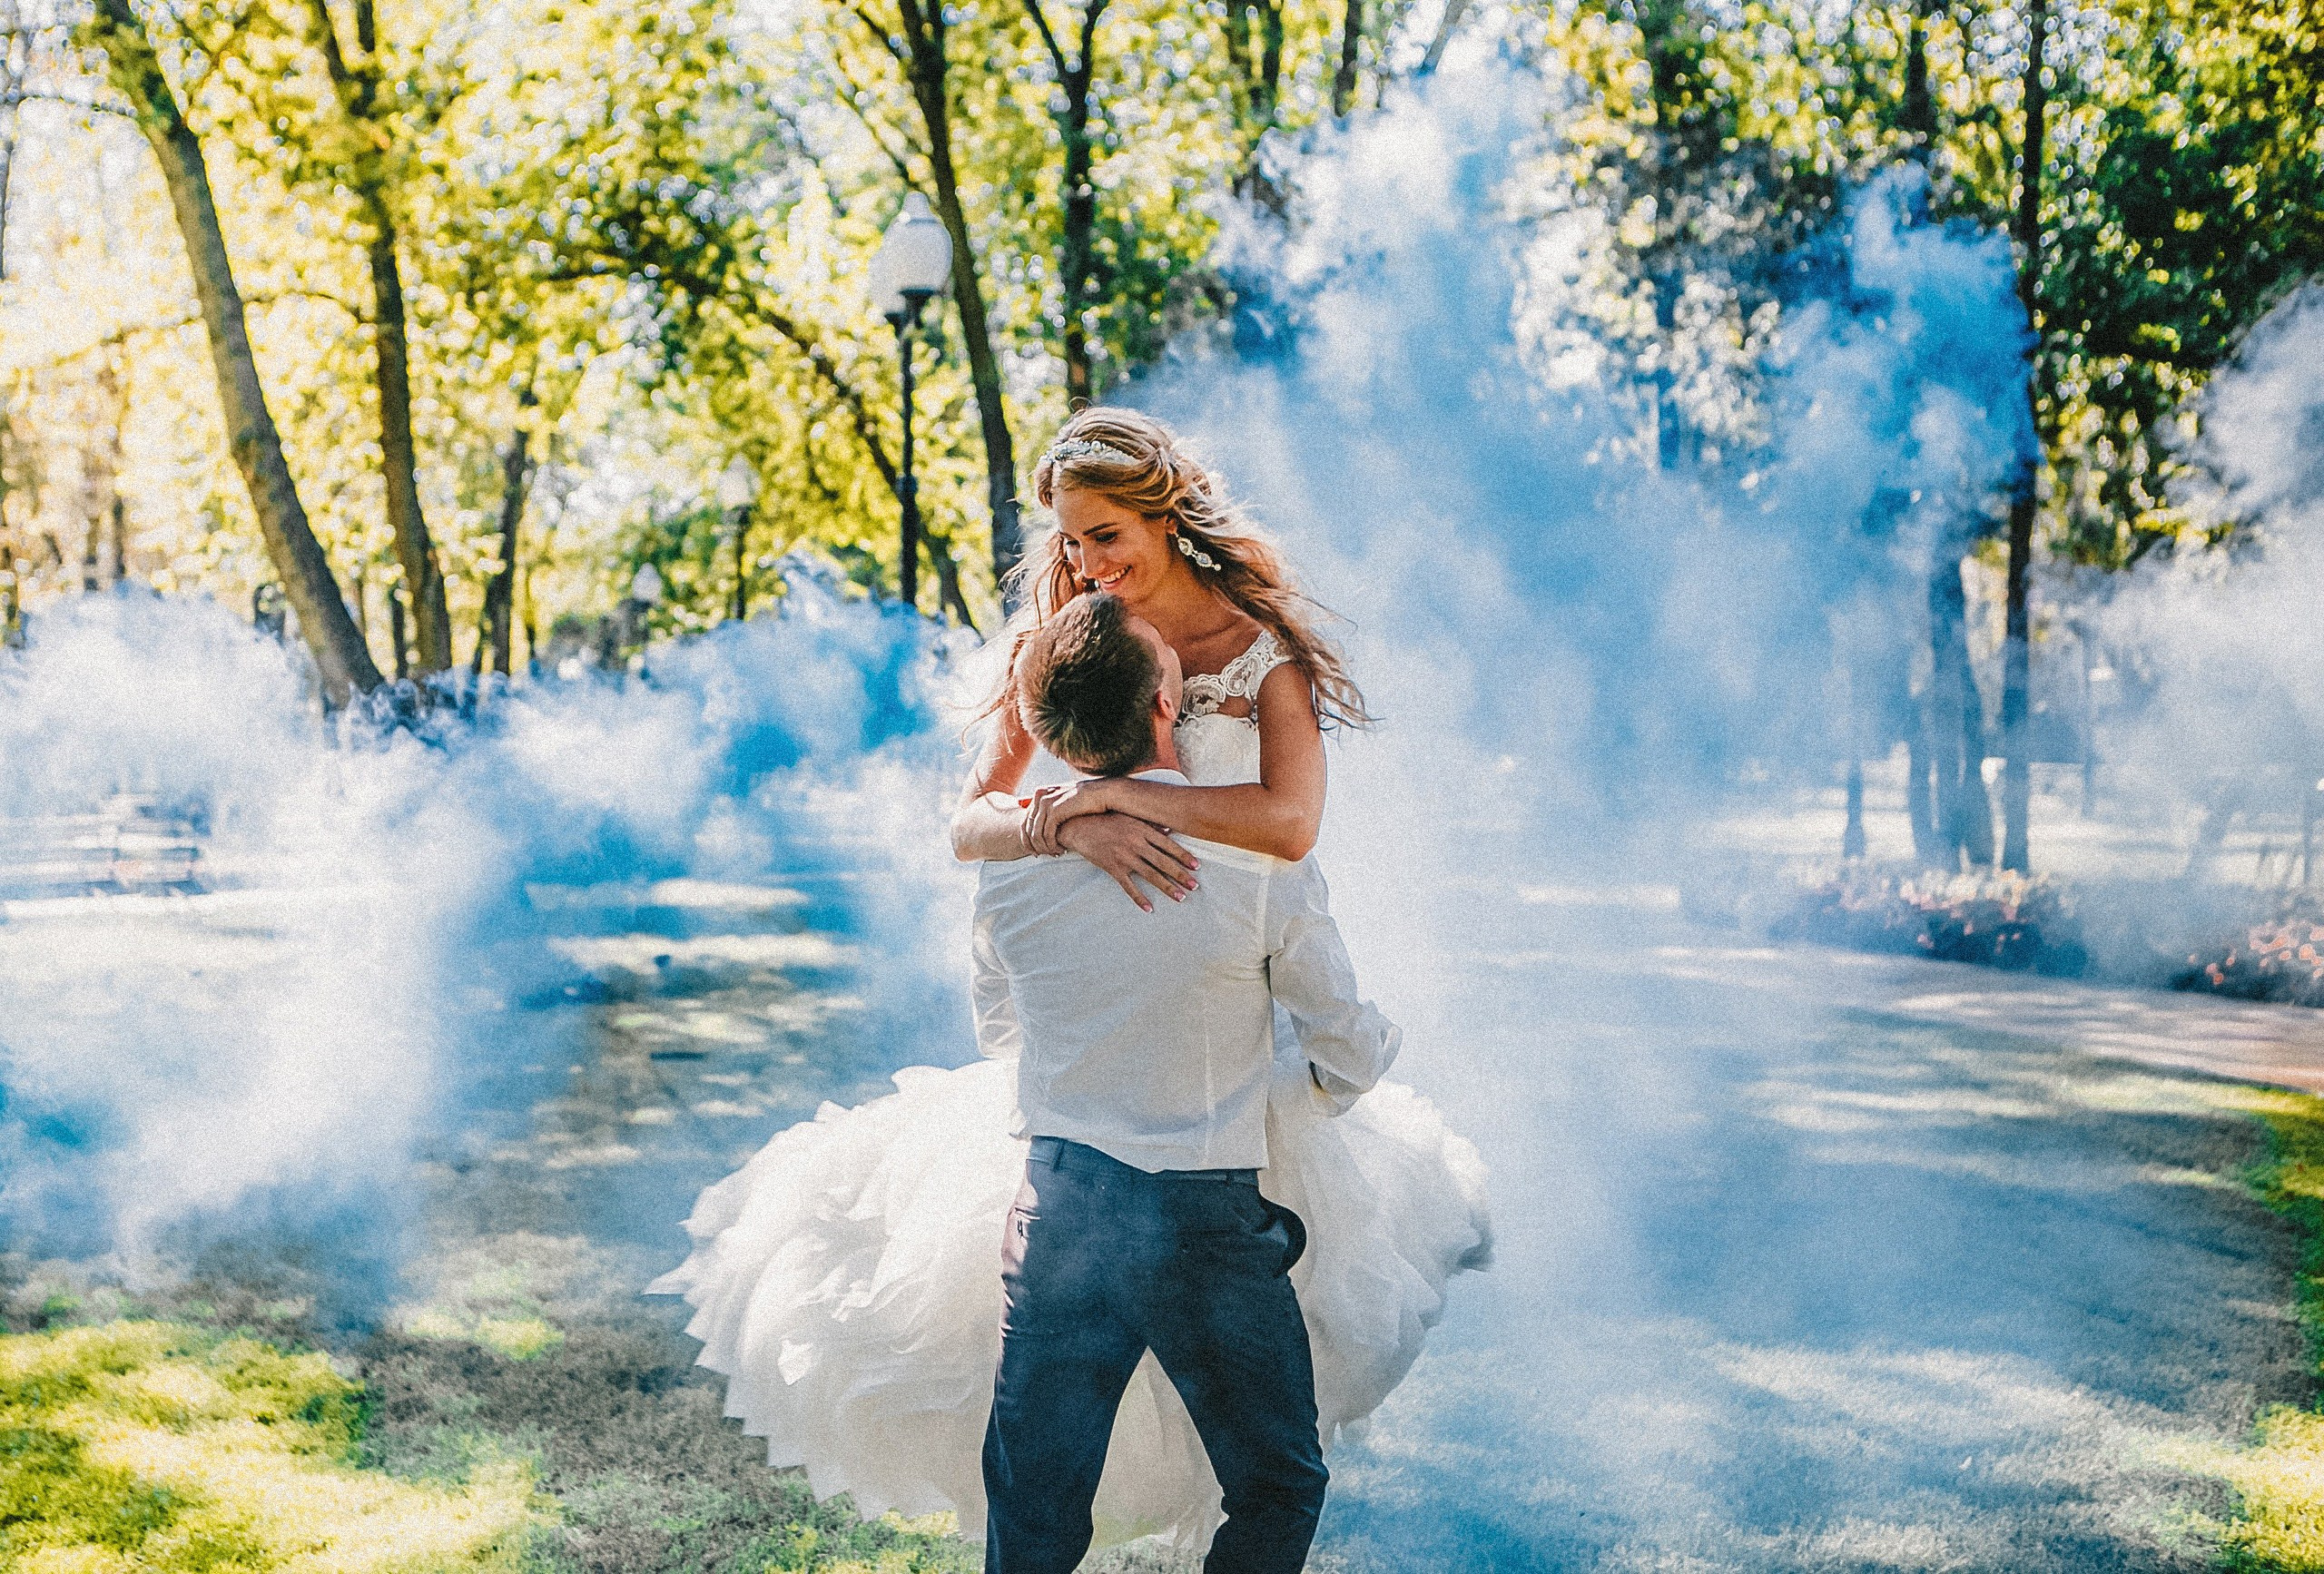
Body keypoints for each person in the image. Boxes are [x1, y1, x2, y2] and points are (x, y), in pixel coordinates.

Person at [650, 407, 1487, 1558]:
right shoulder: (1065, 637)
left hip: (1225, 1061)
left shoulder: (1257, 660)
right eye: (1070, 543)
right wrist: (1061, 819)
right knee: (1113, 1447)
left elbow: (1289, 824)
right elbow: (970, 821)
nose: (1086, 565)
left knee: (1244, 1429)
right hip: (1111, 1072)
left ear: (1168, 514)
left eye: (1104, 535)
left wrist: (1130, 799)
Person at [977, 590, 1394, 1572]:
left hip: (1056, 1212)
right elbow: (1349, 1053)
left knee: (1033, 1519)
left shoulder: (1010, 869)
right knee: (1278, 1484)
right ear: (1166, 702)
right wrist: (1273, 1087)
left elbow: (1000, 1027)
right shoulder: (1254, 868)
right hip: (1203, 1231)